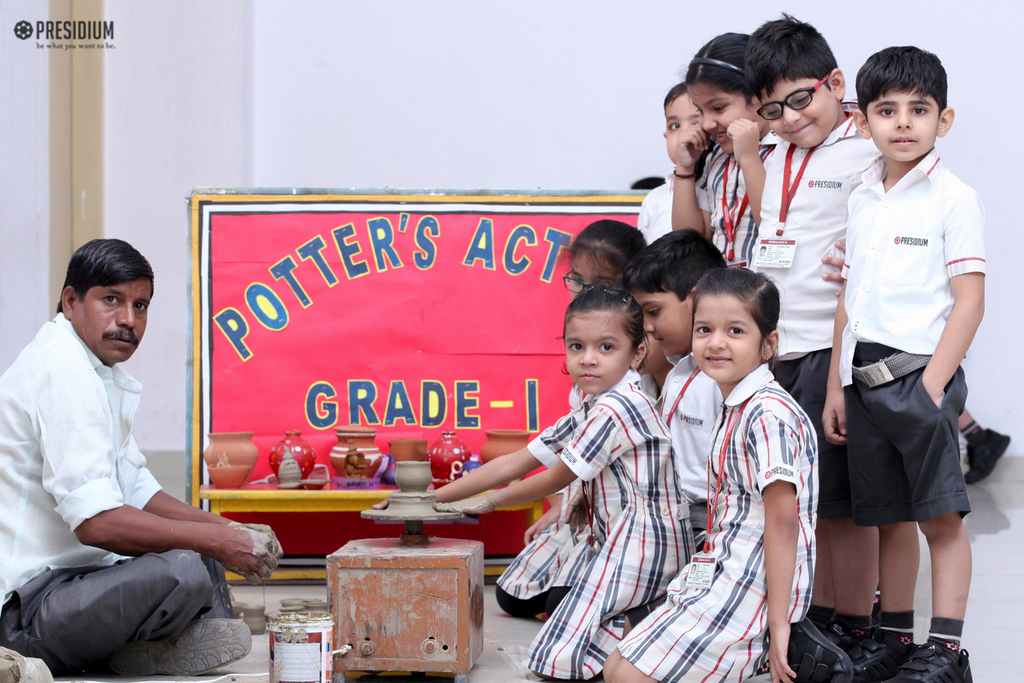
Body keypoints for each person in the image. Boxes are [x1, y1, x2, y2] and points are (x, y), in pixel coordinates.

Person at [0, 239, 282, 676]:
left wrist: (231, 530)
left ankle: (161, 645)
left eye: (141, 305)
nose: (128, 320)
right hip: (28, 610)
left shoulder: (96, 373)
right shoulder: (62, 373)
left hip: (77, 585)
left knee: (200, 546)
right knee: (187, 564)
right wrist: (214, 540)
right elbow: (96, 523)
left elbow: (138, 490)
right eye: (111, 300)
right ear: (72, 300)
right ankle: (161, 643)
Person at [823, 46, 982, 683]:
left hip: (921, 377)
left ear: (944, 121)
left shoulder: (954, 198)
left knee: (938, 518)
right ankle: (894, 639)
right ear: (863, 122)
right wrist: (839, 384)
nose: (904, 123)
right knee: (886, 516)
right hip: (862, 381)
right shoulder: (863, 197)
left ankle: (945, 650)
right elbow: (850, 298)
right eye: (887, 111)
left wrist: (935, 386)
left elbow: (968, 301)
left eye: (920, 110)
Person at [433, 286, 690, 680]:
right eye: (576, 346)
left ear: (636, 353)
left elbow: (558, 475)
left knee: (559, 663)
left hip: (646, 542)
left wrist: (489, 502)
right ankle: (642, 619)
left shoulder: (617, 407)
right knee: (551, 643)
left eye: (606, 347)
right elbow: (519, 460)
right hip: (616, 536)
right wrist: (430, 497)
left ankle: (657, 620)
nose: (587, 360)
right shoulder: (593, 402)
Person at [605, 268, 831, 683]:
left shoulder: (768, 415)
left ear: (769, 345)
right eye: (705, 329)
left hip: (753, 582)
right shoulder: (736, 404)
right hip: (720, 565)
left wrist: (780, 625)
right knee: (615, 665)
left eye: (736, 331)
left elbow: (783, 525)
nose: (717, 343)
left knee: (628, 676)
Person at [744, 14, 884, 657]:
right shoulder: (772, 151)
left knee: (847, 505)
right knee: (804, 498)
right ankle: (821, 616)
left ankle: (857, 624)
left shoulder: (870, 147)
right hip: (779, 348)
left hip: (836, 348)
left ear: (834, 83)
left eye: (802, 99)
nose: (792, 118)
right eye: (774, 108)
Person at [496, 220, 651, 621]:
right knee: (511, 598)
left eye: (603, 282)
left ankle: (648, 606)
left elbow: (561, 470)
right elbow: (565, 456)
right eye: (577, 281)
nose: (587, 293)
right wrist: (562, 506)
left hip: (631, 523)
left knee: (560, 608)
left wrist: (484, 502)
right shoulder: (589, 380)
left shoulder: (633, 378)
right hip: (589, 506)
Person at [672, 33, 778, 267]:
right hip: (721, 293)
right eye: (700, 111)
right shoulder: (717, 157)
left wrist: (750, 157)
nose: (707, 123)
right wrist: (685, 167)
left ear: (759, 96)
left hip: (768, 291)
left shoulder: (785, 151)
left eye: (718, 108)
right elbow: (689, 242)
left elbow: (774, 227)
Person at [637, 82, 707, 243]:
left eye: (696, 123)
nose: (685, 134)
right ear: (666, 136)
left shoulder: (723, 188)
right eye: (675, 126)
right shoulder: (654, 198)